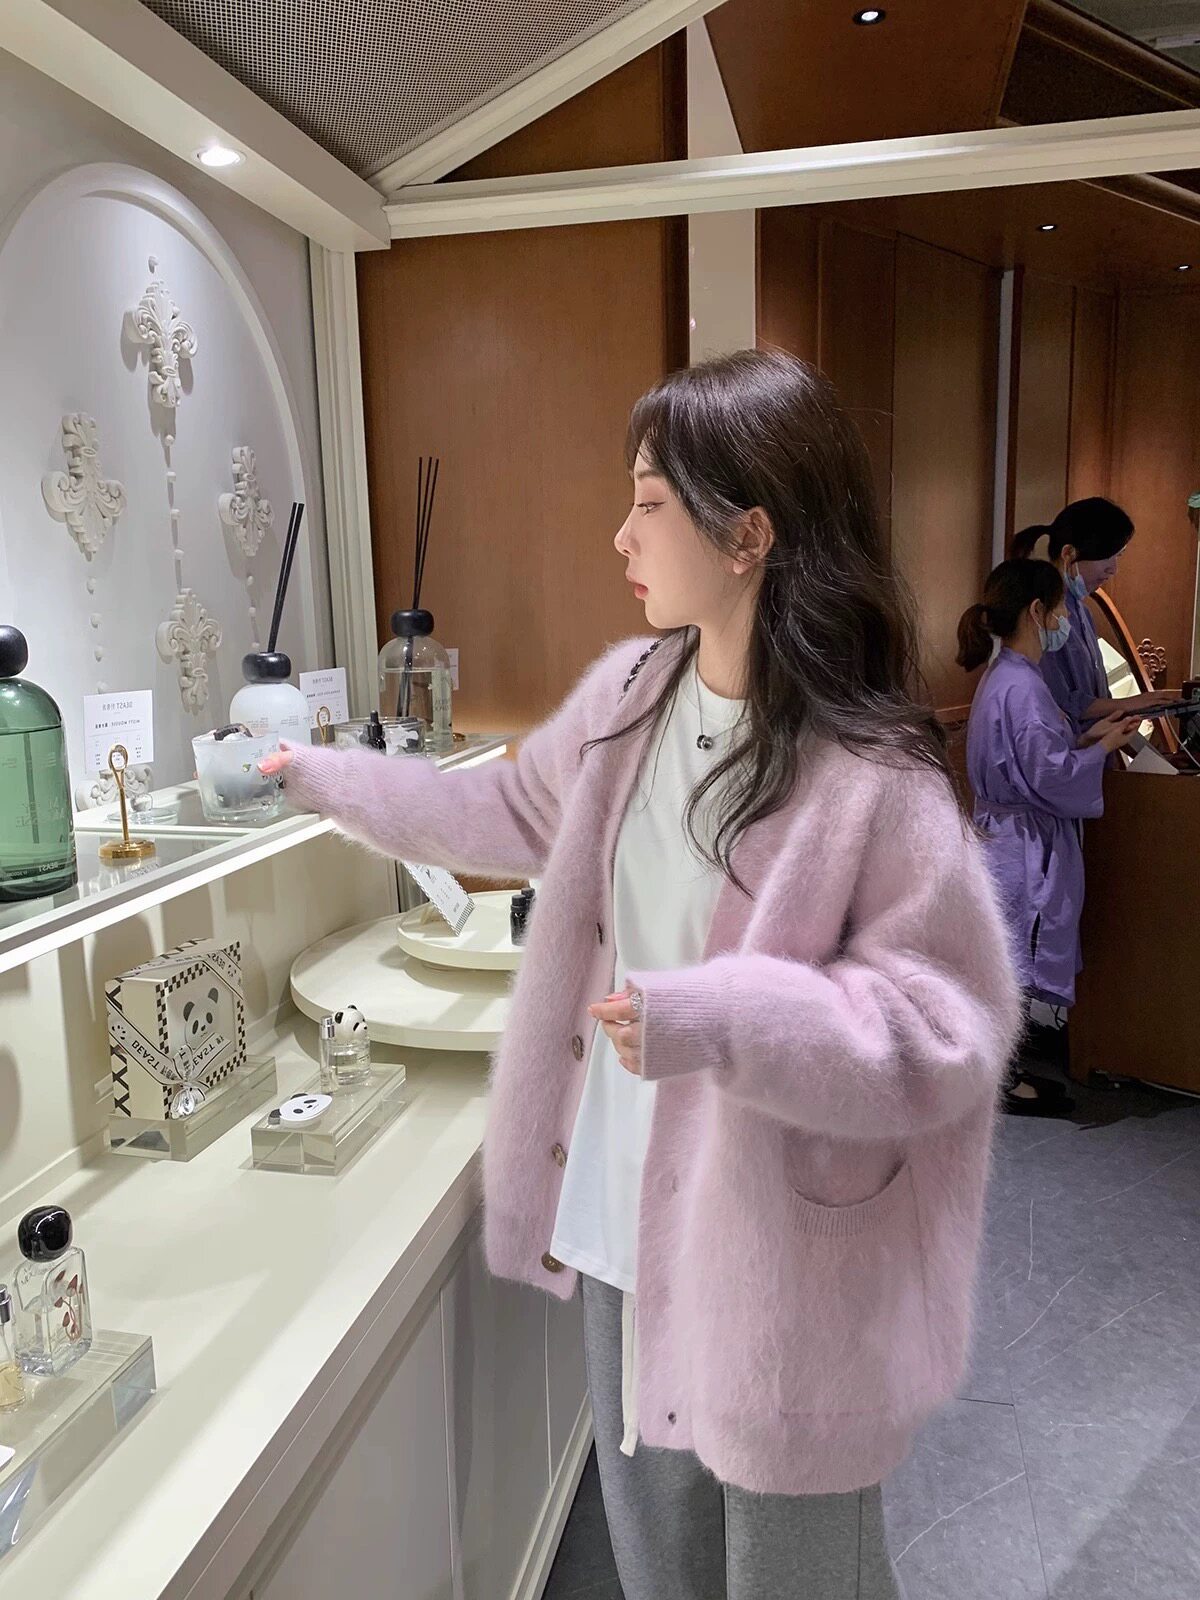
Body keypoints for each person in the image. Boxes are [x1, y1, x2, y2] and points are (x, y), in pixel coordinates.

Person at [264, 350, 1019, 1600]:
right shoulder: (630, 697)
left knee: (795, 1577)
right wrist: (322, 778)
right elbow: (506, 811)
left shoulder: (871, 774)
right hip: (624, 1217)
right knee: (662, 1565)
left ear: (749, 537)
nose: (621, 534)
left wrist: (721, 1019)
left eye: (650, 502)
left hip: (788, 1264)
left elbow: (948, 1030)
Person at [957, 559, 1138, 1116]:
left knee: (1006, 955)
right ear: (1037, 612)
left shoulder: (1009, 677)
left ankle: (1002, 1074)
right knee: (1014, 960)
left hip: (1008, 835)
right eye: (1059, 608)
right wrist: (1102, 749)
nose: (1064, 619)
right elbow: (1049, 776)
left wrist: (1088, 739)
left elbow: (1035, 758)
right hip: (1022, 843)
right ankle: (1003, 1082)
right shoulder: (1023, 687)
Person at [1010, 499, 1175, 734]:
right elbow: (1060, 702)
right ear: (1069, 553)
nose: (1113, 569)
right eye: (1107, 557)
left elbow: (1095, 694)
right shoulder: (1045, 618)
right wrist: (1129, 704)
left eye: (1119, 556)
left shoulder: (1083, 612)